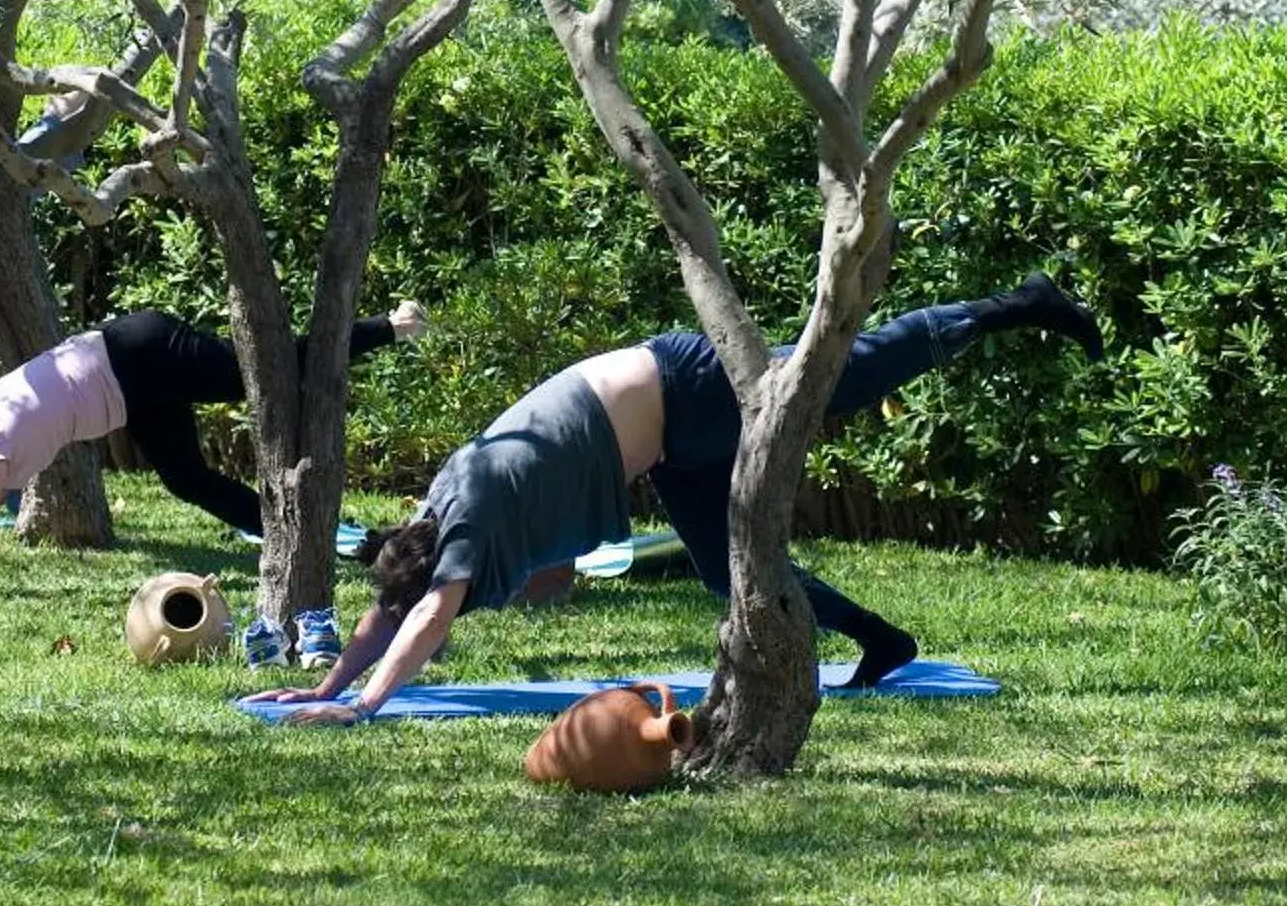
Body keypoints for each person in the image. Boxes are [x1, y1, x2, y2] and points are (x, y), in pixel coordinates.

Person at [251, 274, 1104, 724]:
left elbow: (427, 617)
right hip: (666, 443)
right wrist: (327, 684)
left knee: (843, 373)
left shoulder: (463, 521)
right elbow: (393, 611)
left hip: (685, 387)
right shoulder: (435, 516)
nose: (436, 607)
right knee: (727, 571)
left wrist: (361, 708)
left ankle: (1015, 306)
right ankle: (882, 640)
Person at [0, 300, 430, 606]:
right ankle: (291, 531)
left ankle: (393, 324)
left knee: (267, 370)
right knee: (186, 478)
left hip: (139, 357)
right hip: (132, 388)